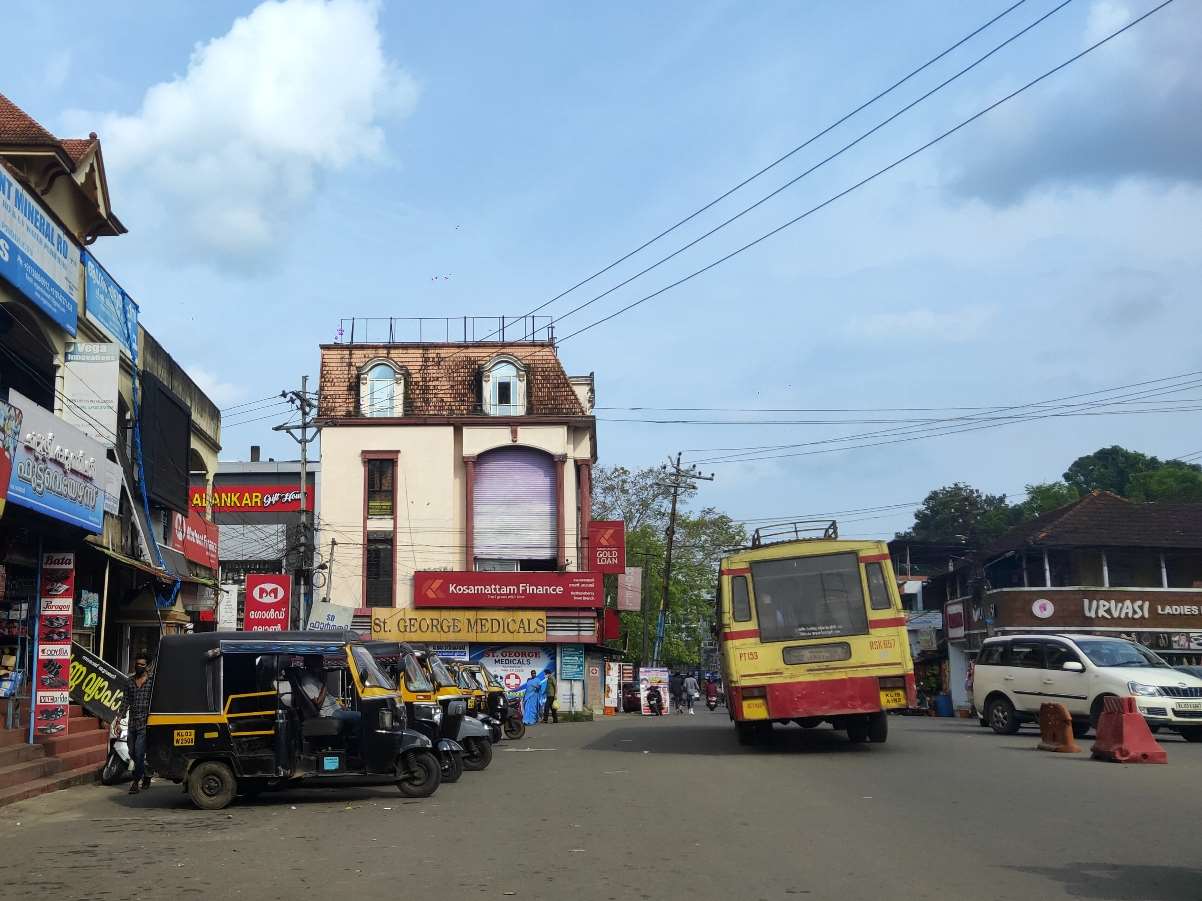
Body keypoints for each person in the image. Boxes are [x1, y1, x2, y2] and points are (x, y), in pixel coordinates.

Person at [298, 656, 360, 736]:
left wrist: (339, 705)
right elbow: (318, 703)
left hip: (335, 708)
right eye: (319, 662)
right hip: (329, 712)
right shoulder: (307, 681)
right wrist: (325, 684)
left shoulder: (314, 678)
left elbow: (327, 697)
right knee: (359, 716)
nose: (321, 665)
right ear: (311, 664)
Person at [125, 652, 154, 795]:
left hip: (145, 723)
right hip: (132, 722)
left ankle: (136, 782)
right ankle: (147, 774)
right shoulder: (130, 681)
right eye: (137, 664)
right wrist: (119, 718)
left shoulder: (152, 682)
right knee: (131, 751)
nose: (139, 666)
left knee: (139, 752)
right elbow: (125, 701)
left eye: (142, 665)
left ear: (147, 666)